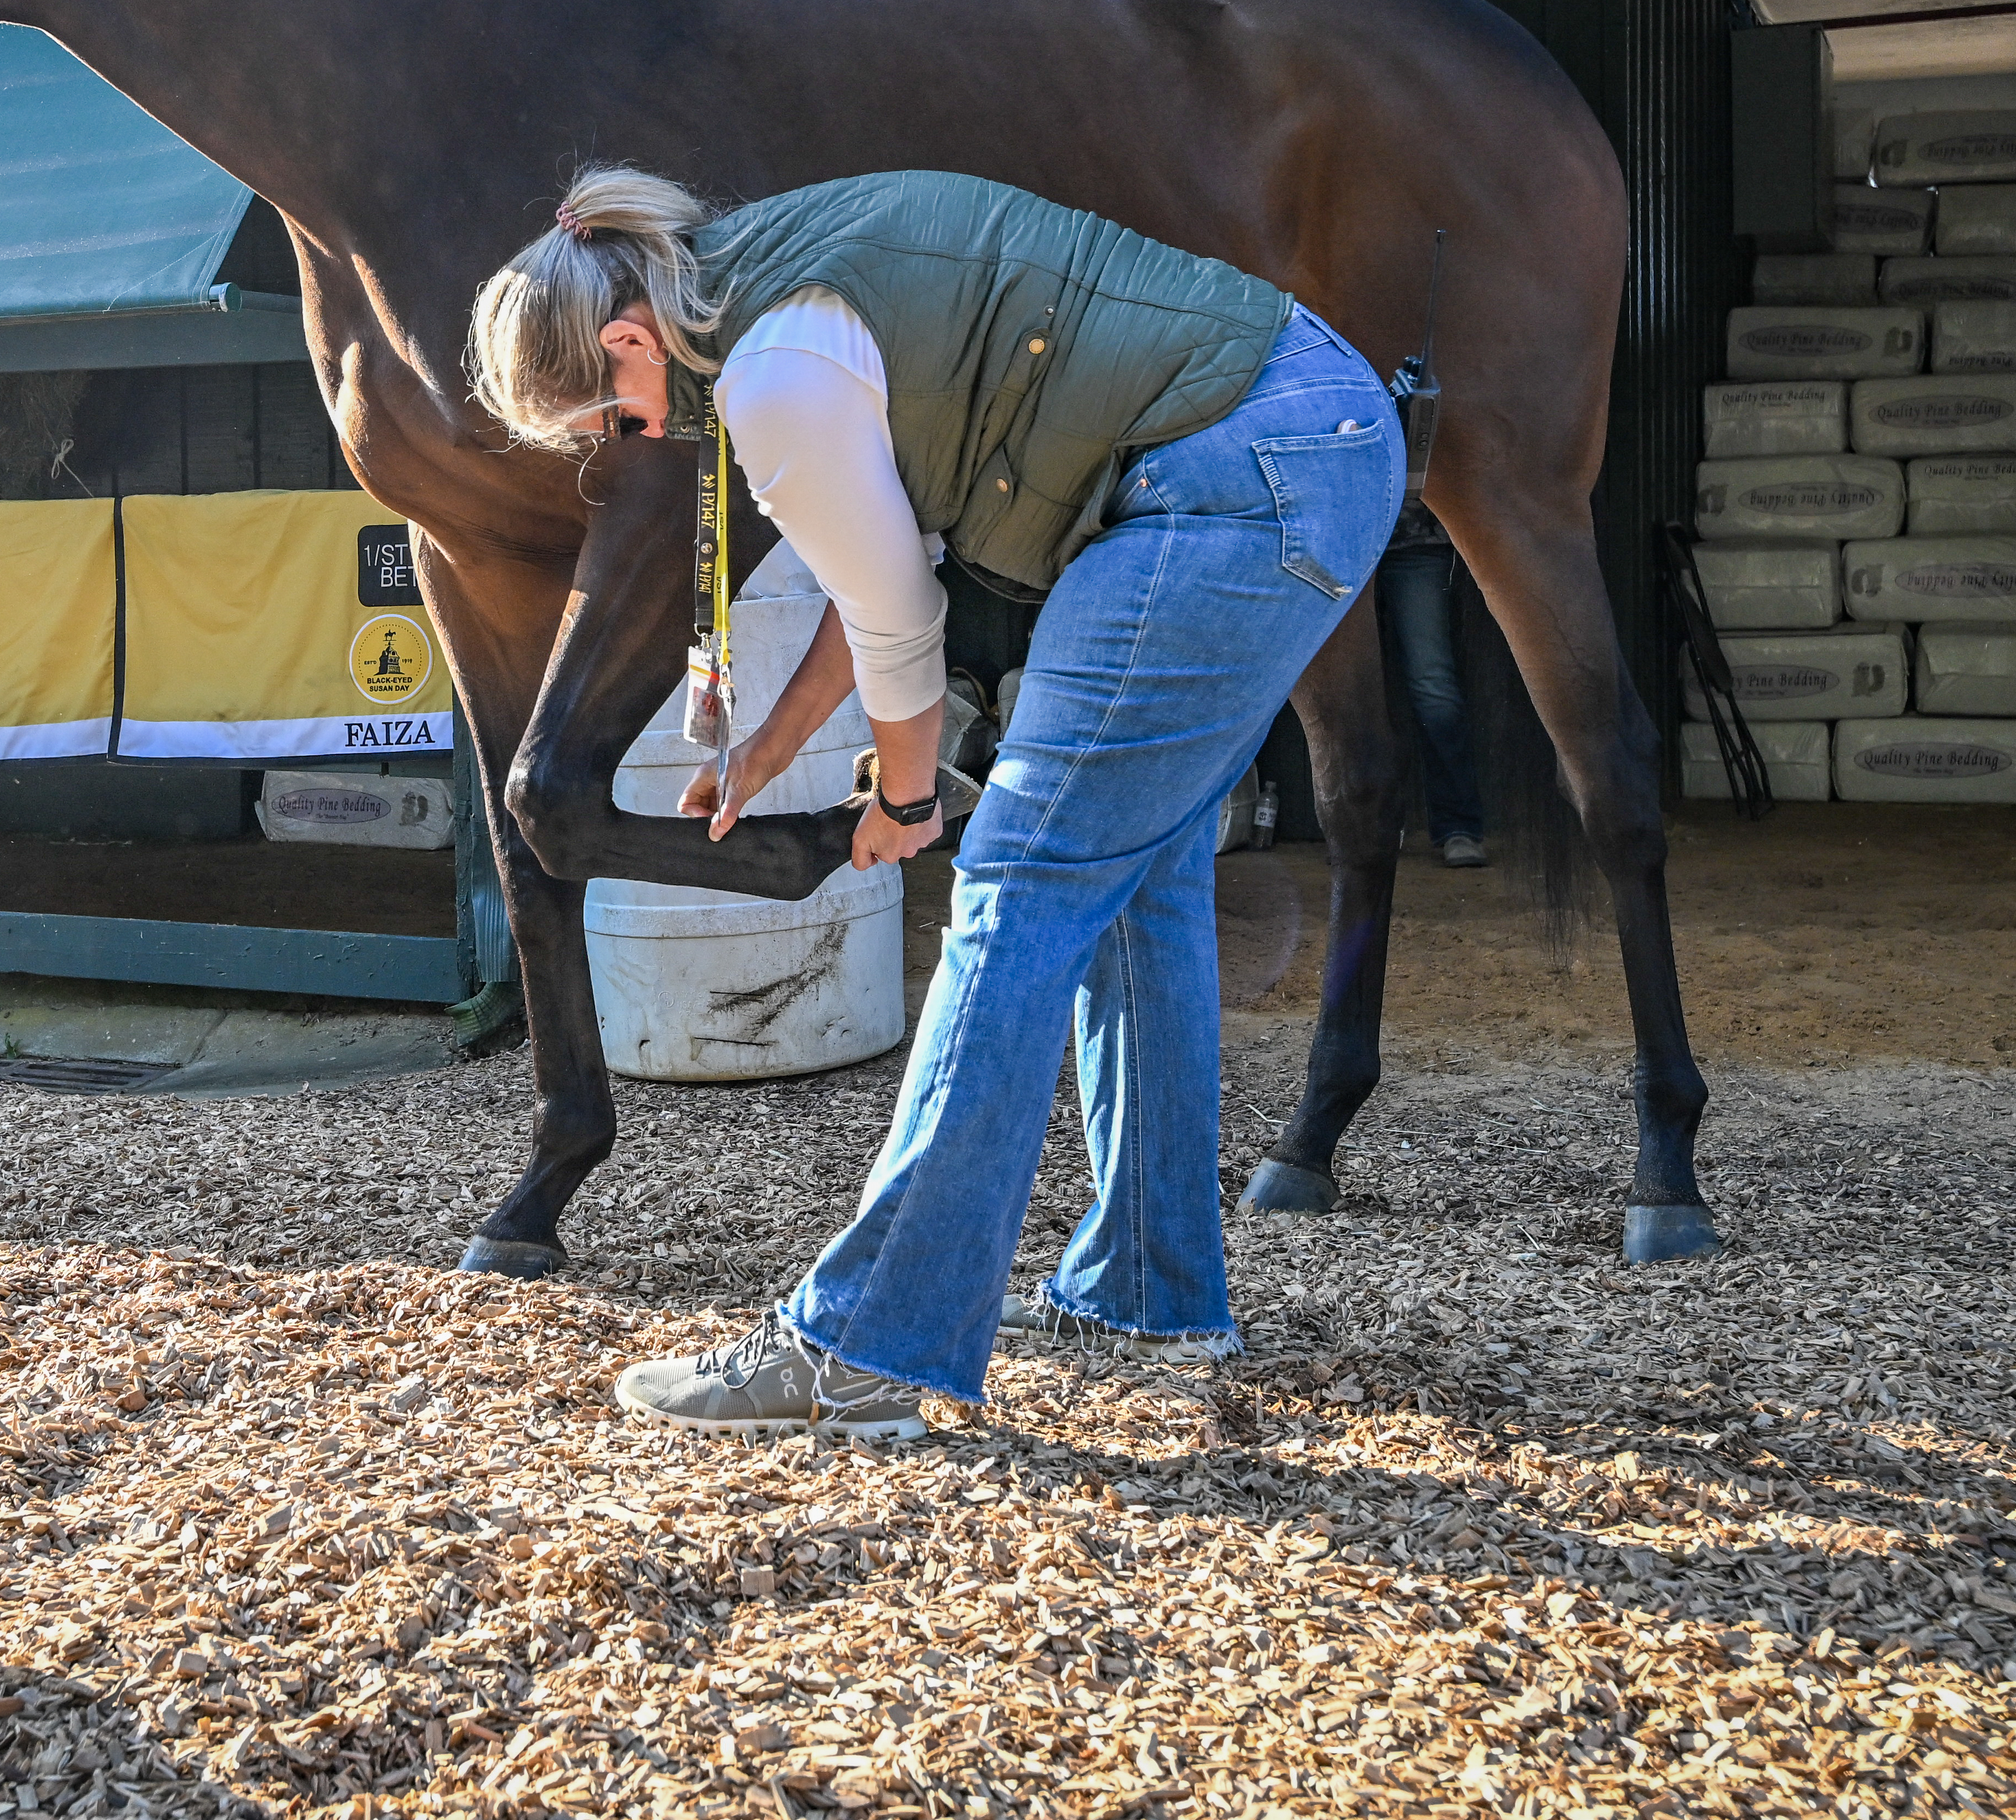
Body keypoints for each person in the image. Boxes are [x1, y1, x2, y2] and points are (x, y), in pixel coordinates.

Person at [467, 167, 1401, 1436]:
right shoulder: (771, 275)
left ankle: (867, 1342)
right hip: (1299, 437)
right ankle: (1150, 1289)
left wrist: (905, 799)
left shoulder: (772, 375)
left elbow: (903, 617)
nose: (636, 439)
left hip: (1241, 476)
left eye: (613, 421)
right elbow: (890, 553)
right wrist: (770, 745)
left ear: (630, 343)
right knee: (1132, 878)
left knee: (1017, 880)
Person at [1375, 502, 1489, 865]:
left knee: (1433, 688)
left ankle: (1458, 827)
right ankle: (1362, 826)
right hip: (1346, 543)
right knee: (1352, 695)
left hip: (1418, 543)